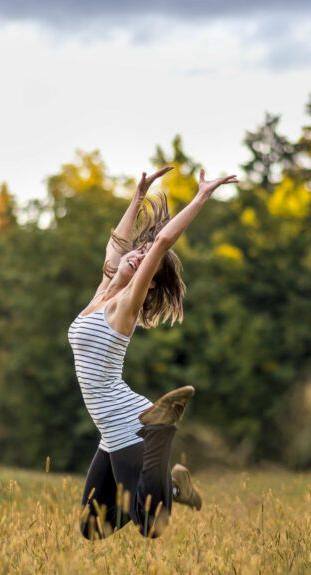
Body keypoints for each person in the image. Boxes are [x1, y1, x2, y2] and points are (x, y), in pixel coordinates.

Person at [69, 165, 238, 539]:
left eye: (147, 260)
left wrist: (201, 196)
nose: (139, 255)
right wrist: (138, 195)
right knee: (93, 527)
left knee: (151, 525)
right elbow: (116, 243)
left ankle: (163, 435)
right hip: (109, 429)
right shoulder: (104, 291)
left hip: (130, 423)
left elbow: (162, 243)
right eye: (138, 250)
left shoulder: (125, 304)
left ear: (147, 278)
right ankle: (171, 484)